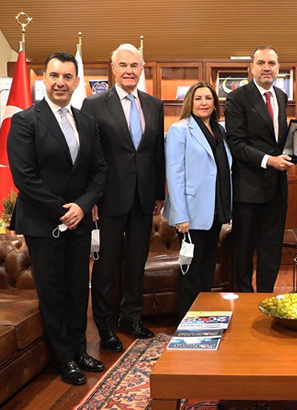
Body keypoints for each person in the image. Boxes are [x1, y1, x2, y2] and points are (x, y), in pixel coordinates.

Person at [7, 52, 107, 385]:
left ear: (77, 82)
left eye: (67, 76)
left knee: (78, 289)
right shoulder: (25, 121)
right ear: (44, 80)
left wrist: (83, 206)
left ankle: (79, 350)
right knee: (53, 292)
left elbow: (99, 171)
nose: (60, 82)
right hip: (43, 222)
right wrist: (64, 210)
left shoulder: (87, 122)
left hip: (80, 220)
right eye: (54, 76)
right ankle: (64, 359)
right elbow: (24, 177)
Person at [82, 44, 165, 351]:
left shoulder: (154, 105)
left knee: (136, 263)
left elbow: (156, 153)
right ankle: (105, 327)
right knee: (105, 267)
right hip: (108, 198)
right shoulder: (94, 104)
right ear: (113, 68)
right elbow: (88, 154)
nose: (129, 70)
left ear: (141, 69)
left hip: (143, 198)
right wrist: (89, 198)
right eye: (123, 65)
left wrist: (159, 194)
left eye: (134, 65)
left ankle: (131, 317)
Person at [225, 45, 291, 293]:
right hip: (248, 189)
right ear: (251, 68)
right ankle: (244, 300)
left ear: (278, 68)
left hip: (277, 189)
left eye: (271, 63)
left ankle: (265, 298)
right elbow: (236, 144)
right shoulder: (237, 98)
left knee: (271, 250)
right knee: (243, 251)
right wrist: (269, 160)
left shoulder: (281, 96)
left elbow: (278, 141)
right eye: (261, 63)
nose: (266, 68)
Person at [164, 82, 233, 319]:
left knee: (207, 268)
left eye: (208, 98)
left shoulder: (221, 131)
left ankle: (203, 317)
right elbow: (175, 175)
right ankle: (187, 319)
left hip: (214, 210)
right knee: (191, 270)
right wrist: (180, 215)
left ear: (215, 104)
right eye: (198, 98)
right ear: (190, 103)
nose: (203, 103)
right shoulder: (179, 130)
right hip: (190, 214)